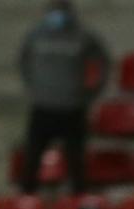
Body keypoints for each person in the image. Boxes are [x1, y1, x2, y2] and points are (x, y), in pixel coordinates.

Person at [16, 0, 108, 194]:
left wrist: (91, 92)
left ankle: (78, 200)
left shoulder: (84, 37)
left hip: (72, 109)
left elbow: (103, 64)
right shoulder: (35, 36)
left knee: (76, 161)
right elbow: (23, 62)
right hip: (43, 108)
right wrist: (35, 88)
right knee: (32, 158)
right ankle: (26, 198)